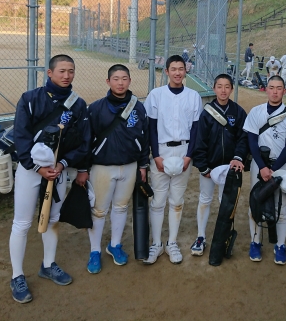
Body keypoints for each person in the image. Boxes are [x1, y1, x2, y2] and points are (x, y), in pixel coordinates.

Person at [9, 54, 91, 304]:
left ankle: (48, 264)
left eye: (71, 71)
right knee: (22, 223)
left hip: (59, 170)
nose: (67, 76)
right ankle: (17, 276)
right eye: (62, 71)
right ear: (49, 72)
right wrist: (37, 167)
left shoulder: (78, 104)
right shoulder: (30, 99)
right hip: (31, 170)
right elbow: (20, 137)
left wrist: (63, 164)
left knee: (53, 219)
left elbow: (83, 142)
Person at [84, 64, 150, 274]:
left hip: (129, 166)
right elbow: (86, 140)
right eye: (116, 79)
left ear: (129, 81)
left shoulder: (138, 107)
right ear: (108, 81)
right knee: (99, 210)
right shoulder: (96, 108)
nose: (120, 83)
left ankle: (115, 245)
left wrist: (143, 164)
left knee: (121, 207)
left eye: (124, 79)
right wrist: (83, 168)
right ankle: (95, 251)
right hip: (102, 167)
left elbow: (144, 137)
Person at [144, 54, 203, 265]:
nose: (178, 72)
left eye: (181, 68)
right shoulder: (156, 95)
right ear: (166, 71)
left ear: (186, 71)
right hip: (162, 151)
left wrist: (189, 156)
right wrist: (156, 156)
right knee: (158, 200)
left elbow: (196, 128)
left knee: (177, 200)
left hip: (183, 151)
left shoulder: (193, 96)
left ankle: (172, 242)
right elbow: (151, 127)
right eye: (173, 69)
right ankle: (156, 243)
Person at [243, 75, 286, 265]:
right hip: (259, 165)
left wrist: (273, 169)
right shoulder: (256, 112)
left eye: (279, 88)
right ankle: (255, 242)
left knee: (280, 206)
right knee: (256, 202)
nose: (275, 91)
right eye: (271, 87)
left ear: (284, 91)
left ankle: (280, 245)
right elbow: (252, 141)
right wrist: (262, 167)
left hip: (280, 166)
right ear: (266, 89)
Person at [190, 74, 248, 256]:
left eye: (227, 86)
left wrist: (238, 158)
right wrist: (203, 166)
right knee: (205, 199)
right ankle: (200, 237)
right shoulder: (206, 113)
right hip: (210, 166)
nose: (223, 90)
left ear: (232, 89)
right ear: (214, 89)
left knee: (226, 202)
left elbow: (243, 138)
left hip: (230, 167)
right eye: (219, 86)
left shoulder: (238, 112)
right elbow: (200, 141)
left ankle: (224, 237)